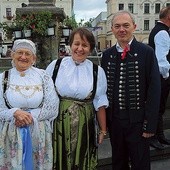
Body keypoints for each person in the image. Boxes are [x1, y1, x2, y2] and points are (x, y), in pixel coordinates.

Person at [101, 10, 161, 170]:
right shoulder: (107, 55)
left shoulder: (146, 52)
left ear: (134, 27)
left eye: (126, 25)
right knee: (118, 163)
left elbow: (154, 90)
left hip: (138, 123)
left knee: (140, 163)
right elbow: (103, 89)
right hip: (115, 123)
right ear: (112, 29)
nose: (122, 29)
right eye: (117, 26)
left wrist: (150, 125)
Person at [46, 27, 109, 170]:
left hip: (84, 125)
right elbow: (44, 96)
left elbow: (100, 102)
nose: (80, 48)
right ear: (70, 45)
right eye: (77, 44)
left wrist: (103, 130)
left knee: (81, 160)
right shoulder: (55, 66)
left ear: (91, 48)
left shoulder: (96, 71)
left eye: (85, 45)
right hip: (58, 124)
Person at [0, 39, 59, 170]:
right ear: (12, 55)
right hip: (11, 134)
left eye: (28, 54)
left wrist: (28, 116)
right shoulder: (3, 77)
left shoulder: (43, 76)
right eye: (19, 52)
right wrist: (14, 113)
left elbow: (53, 106)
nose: (23, 57)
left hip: (37, 133)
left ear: (34, 58)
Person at [148, 6, 170, 150]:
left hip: (158, 76)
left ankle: (160, 135)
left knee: (159, 107)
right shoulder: (162, 33)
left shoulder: (159, 30)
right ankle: (154, 137)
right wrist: (166, 75)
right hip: (161, 76)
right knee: (158, 107)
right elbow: (161, 59)